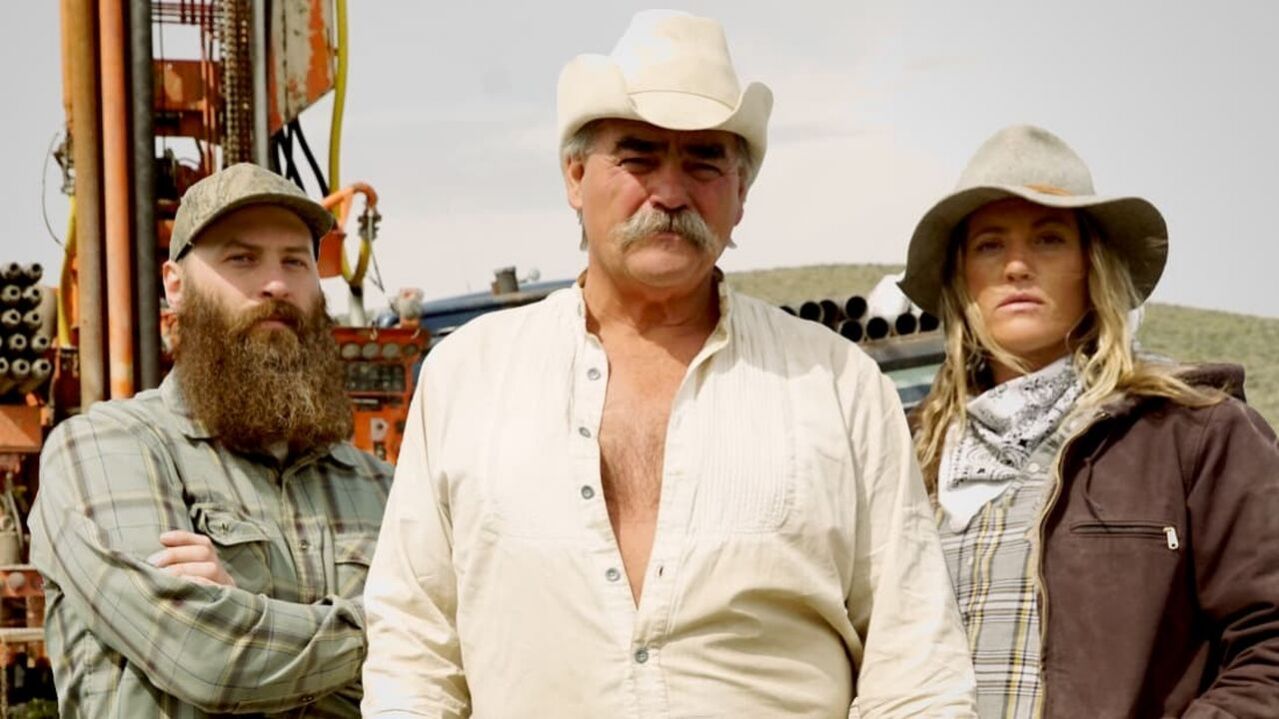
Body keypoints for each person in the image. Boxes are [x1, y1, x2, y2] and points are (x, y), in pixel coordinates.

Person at [362, 10, 976, 718]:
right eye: (639, 157)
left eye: (704, 160)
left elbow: (915, 669)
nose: (671, 192)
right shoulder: (468, 377)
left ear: (741, 195)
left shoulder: (836, 385)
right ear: (574, 176)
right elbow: (414, 652)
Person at [899, 124, 1279, 718]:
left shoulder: (1197, 434)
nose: (1017, 266)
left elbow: (1269, 646)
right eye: (990, 245)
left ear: (1090, 266)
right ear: (962, 277)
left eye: (1048, 239)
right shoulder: (905, 452)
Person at [30, 163, 393, 717]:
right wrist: (391, 632)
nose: (276, 284)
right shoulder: (103, 449)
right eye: (242, 259)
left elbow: (450, 669)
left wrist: (243, 610)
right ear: (175, 286)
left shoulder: (382, 487)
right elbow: (202, 656)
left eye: (295, 261)